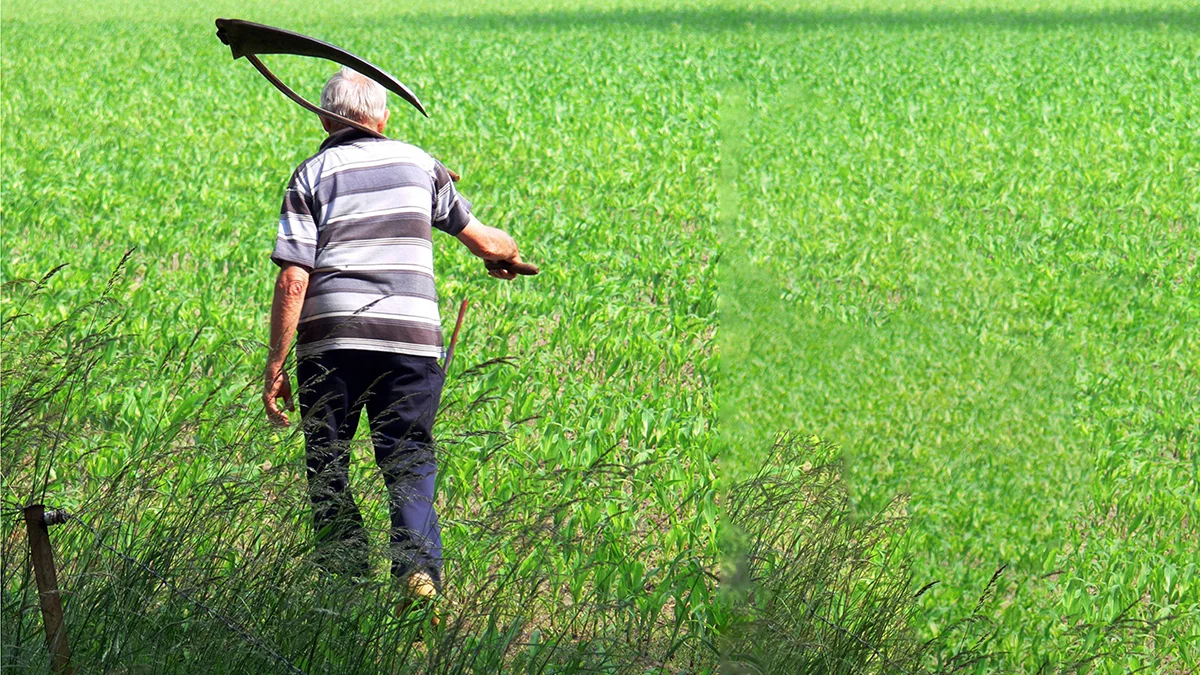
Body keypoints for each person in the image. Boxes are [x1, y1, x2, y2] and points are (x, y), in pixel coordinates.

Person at [260, 67, 527, 601]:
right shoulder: (419, 163)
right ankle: (417, 571)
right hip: (410, 338)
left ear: (323, 117)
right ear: (382, 117)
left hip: (330, 341)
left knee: (327, 457)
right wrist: (509, 254)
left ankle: (345, 581)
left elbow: (294, 277)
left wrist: (274, 364)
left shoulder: (310, 173)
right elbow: (482, 240)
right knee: (407, 456)